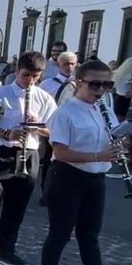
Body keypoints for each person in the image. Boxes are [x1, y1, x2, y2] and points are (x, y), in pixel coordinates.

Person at [38, 60, 127, 265]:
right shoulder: (64, 113)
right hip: (67, 177)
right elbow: (61, 152)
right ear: (78, 83)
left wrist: (119, 147)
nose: (100, 90)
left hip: (95, 180)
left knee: (90, 237)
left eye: (106, 84)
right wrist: (98, 156)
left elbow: (109, 140)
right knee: (60, 233)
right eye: (95, 84)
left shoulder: (105, 110)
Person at [0, 52, 57, 265]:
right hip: (0, 153)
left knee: (17, 206)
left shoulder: (44, 98)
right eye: (26, 75)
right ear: (17, 71)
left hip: (29, 154)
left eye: (36, 76)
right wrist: (9, 134)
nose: (30, 81)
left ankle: (7, 248)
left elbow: (53, 130)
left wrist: (37, 125)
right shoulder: (1, 95)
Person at [37, 52, 77, 203]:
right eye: (66, 63)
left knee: (67, 161)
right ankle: (46, 193)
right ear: (58, 64)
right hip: (51, 126)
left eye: (73, 64)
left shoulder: (79, 85)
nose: (70, 67)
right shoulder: (47, 84)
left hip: (71, 127)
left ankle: (64, 193)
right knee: (49, 161)